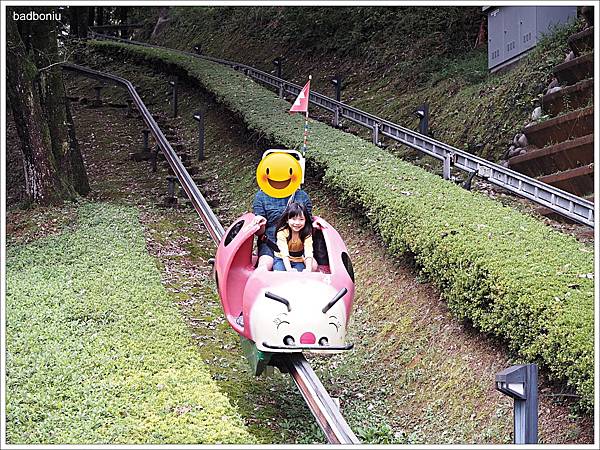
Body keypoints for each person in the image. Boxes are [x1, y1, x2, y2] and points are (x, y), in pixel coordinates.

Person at [272, 202, 317, 272]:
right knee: (280, 273)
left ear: (306, 220)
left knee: (300, 274)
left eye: (301, 219)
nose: (297, 223)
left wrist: (308, 269)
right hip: (281, 258)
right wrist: (289, 269)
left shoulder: (307, 233)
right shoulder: (282, 232)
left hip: (298, 259)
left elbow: (308, 251)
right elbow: (284, 252)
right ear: (287, 220)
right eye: (293, 219)